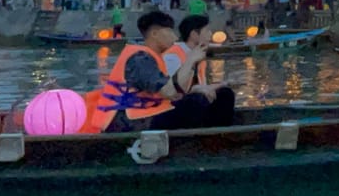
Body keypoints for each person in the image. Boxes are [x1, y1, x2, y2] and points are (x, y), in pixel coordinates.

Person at [88, 11, 233, 133]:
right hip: (129, 121)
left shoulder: (153, 57)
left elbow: (173, 91)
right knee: (195, 102)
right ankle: (197, 143)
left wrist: (197, 88)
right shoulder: (139, 58)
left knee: (223, 94)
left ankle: (217, 138)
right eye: (169, 31)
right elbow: (169, 92)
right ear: (155, 33)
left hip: (150, 111)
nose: (175, 37)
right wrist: (190, 60)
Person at [163, 15, 234, 124]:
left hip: (194, 99)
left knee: (225, 93)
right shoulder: (172, 55)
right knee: (197, 99)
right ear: (194, 35)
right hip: (174, 106)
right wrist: (198, 89)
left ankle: (221, 130)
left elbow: (202, 86)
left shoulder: (199, 55)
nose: (210, 35)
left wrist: (224, 84)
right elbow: (173, 91)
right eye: (207, 31)